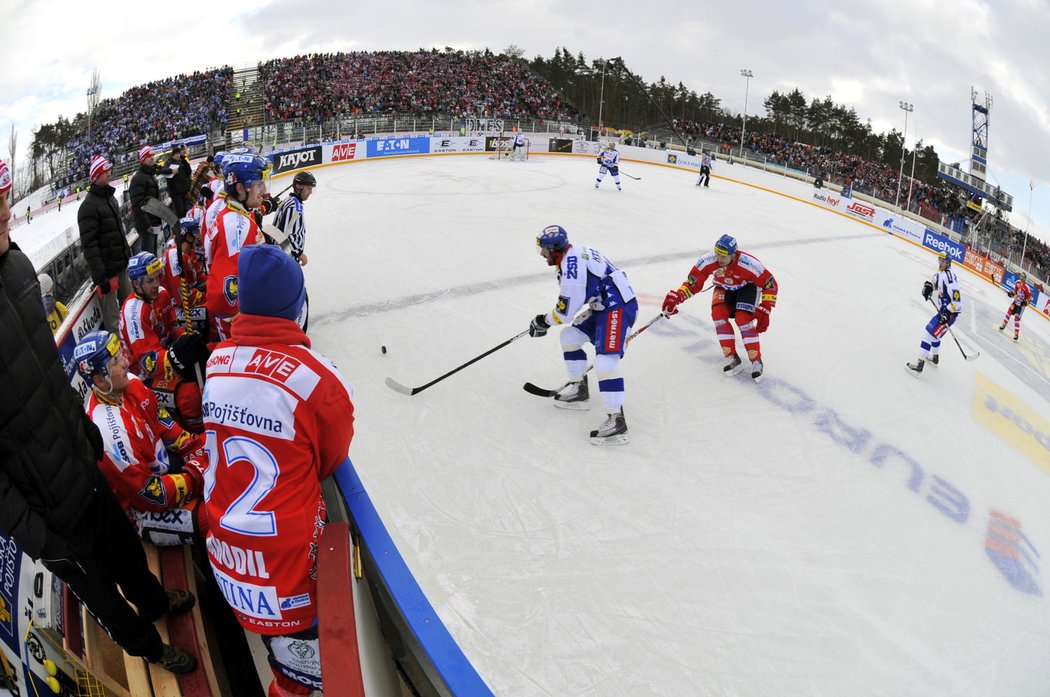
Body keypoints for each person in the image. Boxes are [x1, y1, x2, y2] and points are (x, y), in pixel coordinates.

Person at [0, 158, 198, 675]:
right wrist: (35, 535)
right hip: (50, 515)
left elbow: (48, 368)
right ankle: (151, 650)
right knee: (106, 601)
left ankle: (155, 603)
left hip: (82, 467)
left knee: (128, 555)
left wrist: (87, 437)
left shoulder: (18, 269)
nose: (6, 212)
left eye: (4, 197)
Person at [203, 244, 355, 696]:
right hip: (288, 574)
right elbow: (331, 458)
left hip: (229, 562)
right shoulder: (317, 378)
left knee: (283, 658)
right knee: (306, 676)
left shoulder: (215, 362)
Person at [76, 330, 207, 546]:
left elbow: (160, 420)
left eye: (121, 354)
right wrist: (196, 475)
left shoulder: (130, 383)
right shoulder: (109, 433)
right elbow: (153, 496)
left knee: (216, 446)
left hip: (164, 470)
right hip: (141, 511)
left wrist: (192, 447)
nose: (127, 362)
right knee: (211, 518)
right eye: (116, 361)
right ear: (99, 380)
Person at [529, 225, 638, 444]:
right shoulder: (574, 253)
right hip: (604, 305)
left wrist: (544, 321)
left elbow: (566, 312)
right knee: (570, 337)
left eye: (545, 250)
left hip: (617, 307)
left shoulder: (572, 267)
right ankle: (579, 388)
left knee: (605, 362)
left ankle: (617, 420)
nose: (542, 254)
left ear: (557, 248)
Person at [662, 234, 779, 382]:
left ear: (733, 254)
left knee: (743, 319)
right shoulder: (707, 261)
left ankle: (756, 360)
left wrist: (766, 307)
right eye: (717, 254)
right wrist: (677, 297)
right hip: (723, 286)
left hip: (747, 287)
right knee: (718, 315)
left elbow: (770, 284)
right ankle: (732, 357)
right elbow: (693, 283)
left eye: (724, 256)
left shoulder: (749, 264)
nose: (719, 259)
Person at [119, 251, 207, 431]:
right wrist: (178, 355)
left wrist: (185, 338)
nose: (157, 284)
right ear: (136, 284)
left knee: (208, 357)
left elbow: (173, 327)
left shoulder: (162, 294)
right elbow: (148, 363)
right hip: (143, 377)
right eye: (150, 281)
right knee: (190, 396)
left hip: (165, 357)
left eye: (157, 278)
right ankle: (198, 434)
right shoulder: (133, 312)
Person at [203, 154, 268, 343]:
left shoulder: (232, 213)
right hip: (236, 320)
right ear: (240, 188)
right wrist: (240, 320)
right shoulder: (236, 226)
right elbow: (228, 287)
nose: (263, 191)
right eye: (258, 185)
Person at [79, 154, 133, 332]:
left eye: (108, 170)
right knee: (113, 322)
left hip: (121, 264)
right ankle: (119, 357)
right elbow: (90, 246)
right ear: (95, 177)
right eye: (104, 171)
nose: (109, 173)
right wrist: (101, 277)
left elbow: (118, 232)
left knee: (131, 309)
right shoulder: (88, 207)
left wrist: (127, 255)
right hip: (108, 273)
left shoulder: (110, 198)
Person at [906, 251, 963, 376]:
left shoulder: (950, 278)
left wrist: (947, 314)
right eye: (939, 260)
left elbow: (957, 303)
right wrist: (929, 286)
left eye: (943, 261)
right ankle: (935, 358)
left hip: (949, 314)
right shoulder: (941, 272)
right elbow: (935, 281)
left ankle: (919, 366)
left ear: (948, 263)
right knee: (935, 336)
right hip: (945, 312)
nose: (940, 263)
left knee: (927, 334)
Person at [162, 217, 207, 330]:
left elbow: (199, 277)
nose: (198, 236)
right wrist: (207, 297)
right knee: (212, 311)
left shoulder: (189, 252)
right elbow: (183, 298)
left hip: (187, 300)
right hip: (175, 309)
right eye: (195, 233)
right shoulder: (174, 256)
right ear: (188, 237)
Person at [272, 170, 316, 266]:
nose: (311, 192)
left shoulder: (289, 201)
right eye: (308, 188)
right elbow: (283, 235)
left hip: (283, 256)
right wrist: (299, 253)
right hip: (284, 258)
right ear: (299, 187)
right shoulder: (294, 206)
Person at [129, 145, 166, 256]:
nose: (152, 158)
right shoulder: (138, 178)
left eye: (152, 155)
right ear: (143, 159)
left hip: (153, 222)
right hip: (147, 226)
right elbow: (137, 204)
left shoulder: (149, 175)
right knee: (148, 257)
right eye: (149, 156)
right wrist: (146, 224)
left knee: (153, 256)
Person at [998, 272, 1032, 341]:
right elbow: (1015, 292)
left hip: (1021, 307)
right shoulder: (1017, 283)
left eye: (1023, 277)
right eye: (1021, 277)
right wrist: (1011, 294)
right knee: (1008, 313)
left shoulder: (1027, 288)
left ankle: (1016, 335)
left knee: (1016, 319)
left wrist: (1025, 302)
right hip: (1015, 302)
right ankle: (1003, 325)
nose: (1022, 278)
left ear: (1025, 279)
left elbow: (1029, 299)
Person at [167, 144, 193, 218]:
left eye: (185, 149)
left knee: (185, 209)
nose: (185, 151)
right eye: (183, 150)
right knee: (180, 211)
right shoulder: (171, 162)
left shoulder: (184, 160)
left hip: (184, 190)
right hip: (176, 192)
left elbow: (188, 173)